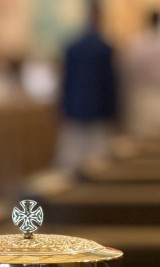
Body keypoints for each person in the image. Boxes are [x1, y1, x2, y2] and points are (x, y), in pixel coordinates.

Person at [56, 0, 117, 170]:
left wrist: (62, 106)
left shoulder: (72, 47)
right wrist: (113, 108)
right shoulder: (104, 48)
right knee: (98, 157)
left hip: (75, 106)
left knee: (73, 155)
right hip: (98, 107)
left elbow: (65, 81)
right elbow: (108, 83)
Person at [123, 10, 160, 137]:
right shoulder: (140, 42)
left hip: (146, 96)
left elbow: (130, 69)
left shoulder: (138, 43)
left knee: (145, 137)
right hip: (152, 93)